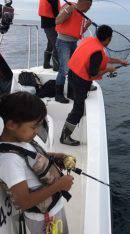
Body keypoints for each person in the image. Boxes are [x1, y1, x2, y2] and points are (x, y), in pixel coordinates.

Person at [0, 92, 74, 233]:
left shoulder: (20, 138)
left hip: (52, 209)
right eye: (34, 127)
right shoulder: (9, 161)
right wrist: (60, 185)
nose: (37, 131)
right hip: (44, 220)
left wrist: (57, 156)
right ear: (11, 125)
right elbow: (23, 202)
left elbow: (31, 156)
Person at [60, 25, 128, 146]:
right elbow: (93, 74)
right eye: (110, 38)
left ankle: (75, 101)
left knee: (78, 100)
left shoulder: (90, 40)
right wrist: (109, 70)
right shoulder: (97, 52)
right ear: (108, 39)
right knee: (78, 110)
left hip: (72, 74)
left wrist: (119, 61)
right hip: (80, 81)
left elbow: (102, 59)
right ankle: (65, 137)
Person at [55, 0, 93, 104]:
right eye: (89, 6)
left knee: (73, 68)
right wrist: (69, 10)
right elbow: (57, 21)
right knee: (64, 68)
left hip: (73, 43)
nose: (89, 9)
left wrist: (86, 26)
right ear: (85, 3)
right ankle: (58, 94)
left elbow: (79, 32)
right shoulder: (69, 7)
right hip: (63, 42)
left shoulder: (81, 14)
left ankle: (72, 93)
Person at [38, 0, 61, 71]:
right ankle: (57, 67)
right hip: (50, 24)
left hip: (46, 23)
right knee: (56, 44)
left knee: (50, 43)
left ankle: (46, 64)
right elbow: (56, 13)